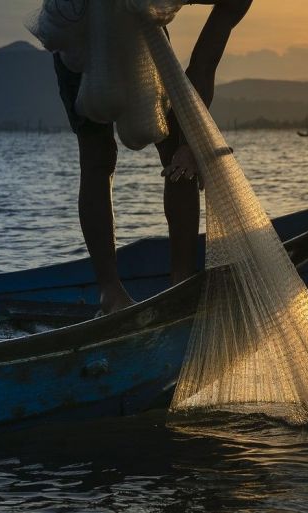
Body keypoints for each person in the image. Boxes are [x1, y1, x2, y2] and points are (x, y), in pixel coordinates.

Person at [53, 0, 252, 314]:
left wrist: (190, 145)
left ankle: (178, 282)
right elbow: (202, 66)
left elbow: (202, 65)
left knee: (168, 151)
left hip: (139, 34)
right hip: (81, 29)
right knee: (100, 157)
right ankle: (114, 292)